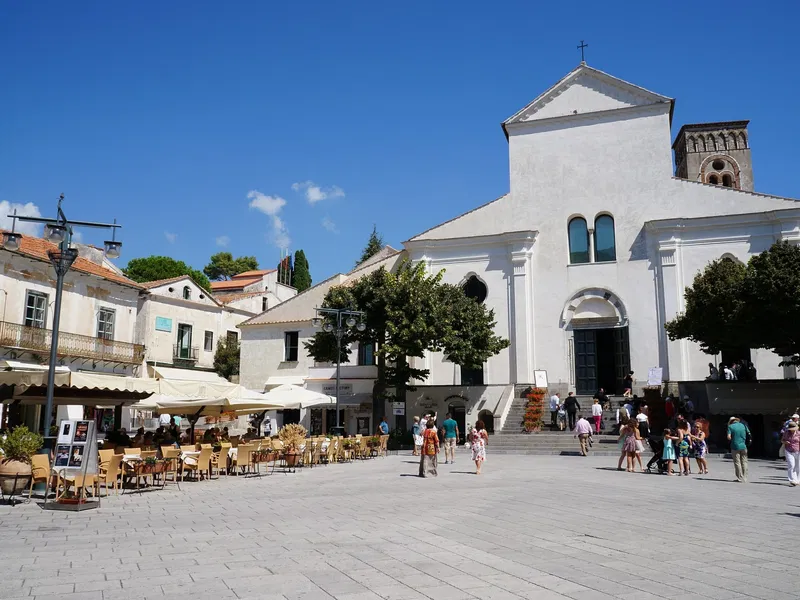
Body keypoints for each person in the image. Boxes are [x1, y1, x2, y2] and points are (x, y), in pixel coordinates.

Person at [727, 416, 750, 483]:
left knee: (737, 462)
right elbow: (748, 433)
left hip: (735, 446)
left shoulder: (730, 427)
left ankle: (740, 477)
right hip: (744, 446)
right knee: (744, 461)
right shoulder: (744, 425)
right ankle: (745, 477)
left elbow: (728, 437)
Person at [782, 421, 800, 486]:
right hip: (788, 450)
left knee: (798, 466)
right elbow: (782, 440)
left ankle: (798, 480)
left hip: (798, 451)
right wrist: (785, 442)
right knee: (791, 465)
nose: (792, 431)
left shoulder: (799, 433)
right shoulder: (786, 433)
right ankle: (792, 480)